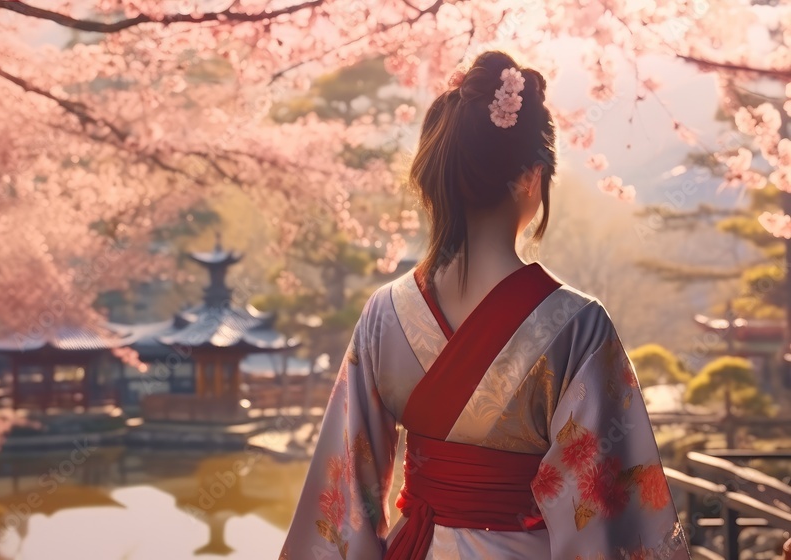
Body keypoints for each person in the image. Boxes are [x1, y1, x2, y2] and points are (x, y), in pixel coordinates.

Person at [280, 51, 690, 560]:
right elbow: (606, 514)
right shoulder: (578, 326)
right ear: (531, 177)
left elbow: (341, 501)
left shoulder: (383, 313)